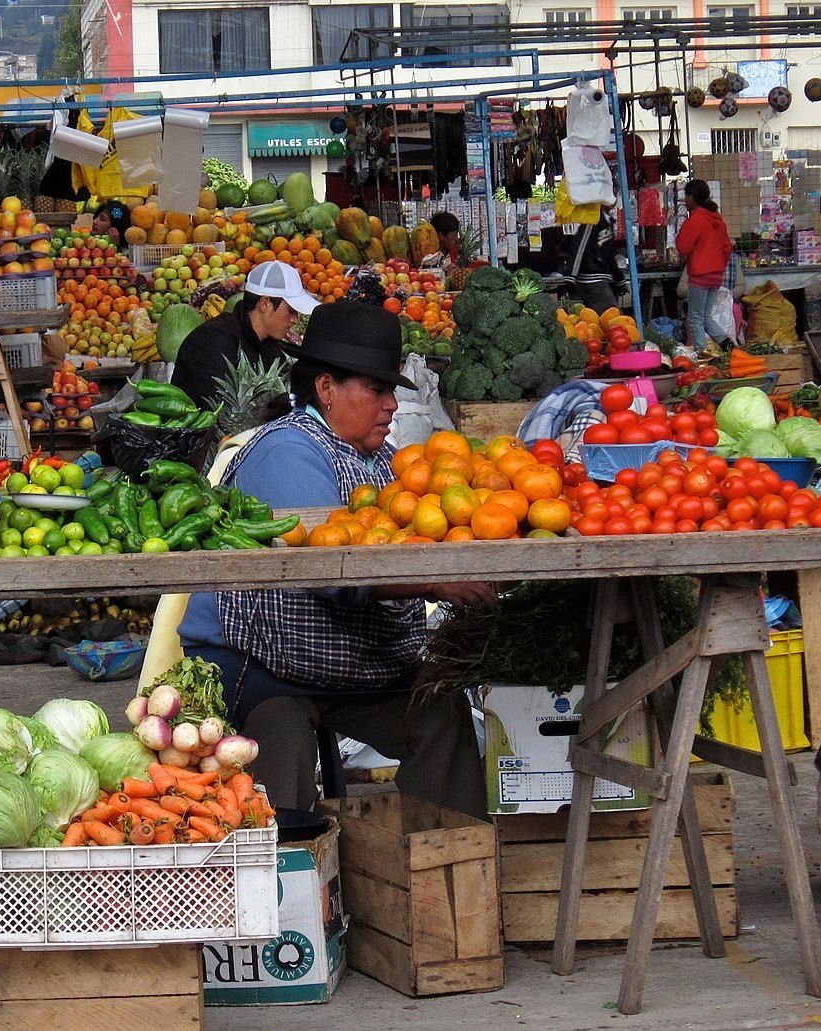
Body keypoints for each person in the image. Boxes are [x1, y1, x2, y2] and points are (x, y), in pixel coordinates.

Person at [178, 302, 493, 816]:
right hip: (262, 661)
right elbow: (328, 573)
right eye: (377, 390)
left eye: (391, 391)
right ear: (326, 388)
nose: (391, 405)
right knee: (277, 749)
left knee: (439, 713)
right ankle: (294, 874)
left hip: (352, 662)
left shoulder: (387, 462)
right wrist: (435, 584)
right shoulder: (290, 450)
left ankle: (440, 864)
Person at [170, 261, 317, 412]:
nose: (295, 320)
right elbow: (218, 409)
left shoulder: (270, 345)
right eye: (291, 311)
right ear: (265, 304)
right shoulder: (212, 341)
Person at [675, 179, 735, 352]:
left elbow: (682, 247)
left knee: (695, 318)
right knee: (706, 317)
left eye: (686, 196)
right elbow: (727, 248)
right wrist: (718, 266)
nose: (685, 200)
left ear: (692, 197)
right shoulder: (717, 219)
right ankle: (729, 346)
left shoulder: (696, 220)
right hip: (716, 275)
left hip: (700, 275)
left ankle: (701, 355)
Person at [563, 206, 623, 313]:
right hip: (592, 278)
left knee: (603, 320)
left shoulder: (607, 222)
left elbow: (609, 254)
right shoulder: (593, 218)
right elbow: (579, 244)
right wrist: (571, 275)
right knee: (613, 318)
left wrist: (619, 278)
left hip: (601, 277)